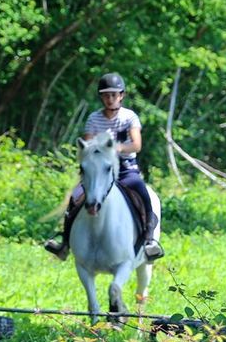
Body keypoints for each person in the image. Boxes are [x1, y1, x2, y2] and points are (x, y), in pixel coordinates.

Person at [44, 72, 163, 261]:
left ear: (121, 96)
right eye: (106, 95)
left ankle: (149, 240)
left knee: (142, 192)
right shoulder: (93, 119)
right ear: (101, 97)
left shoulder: (129, 117)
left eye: (114, 95)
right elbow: (89, 146)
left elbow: (136, 145)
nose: (110, 99)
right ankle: (65, 242)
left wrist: (116, 148)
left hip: (125, 168)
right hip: (99, 170)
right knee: (75, 196)